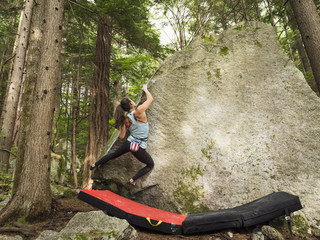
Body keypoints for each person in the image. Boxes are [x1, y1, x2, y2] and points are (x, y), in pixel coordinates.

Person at [90, 84, 154, 186]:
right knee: (150, 164)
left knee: (113, 155)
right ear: (131, 103)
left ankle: (94, 164)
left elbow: (121, 137)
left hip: (129, 143)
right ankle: (132, 180)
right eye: (131, 100)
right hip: (139, 147)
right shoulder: (139, 111)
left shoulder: (126, 119)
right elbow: (150, 99)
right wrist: (145, 89)